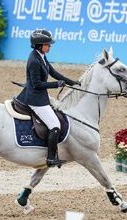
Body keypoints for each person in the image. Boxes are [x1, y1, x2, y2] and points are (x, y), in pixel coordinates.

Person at [16, 29, 80, 167]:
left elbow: (53, 72)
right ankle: (51, 158)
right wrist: (56, 85)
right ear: (40, 45)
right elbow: (37, 84)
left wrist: (71, 82)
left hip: (41, 96)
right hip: (35, 99)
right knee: (55, 126)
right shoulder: (34, 60)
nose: (49, 46)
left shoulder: (41, 56)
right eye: (47, 44)